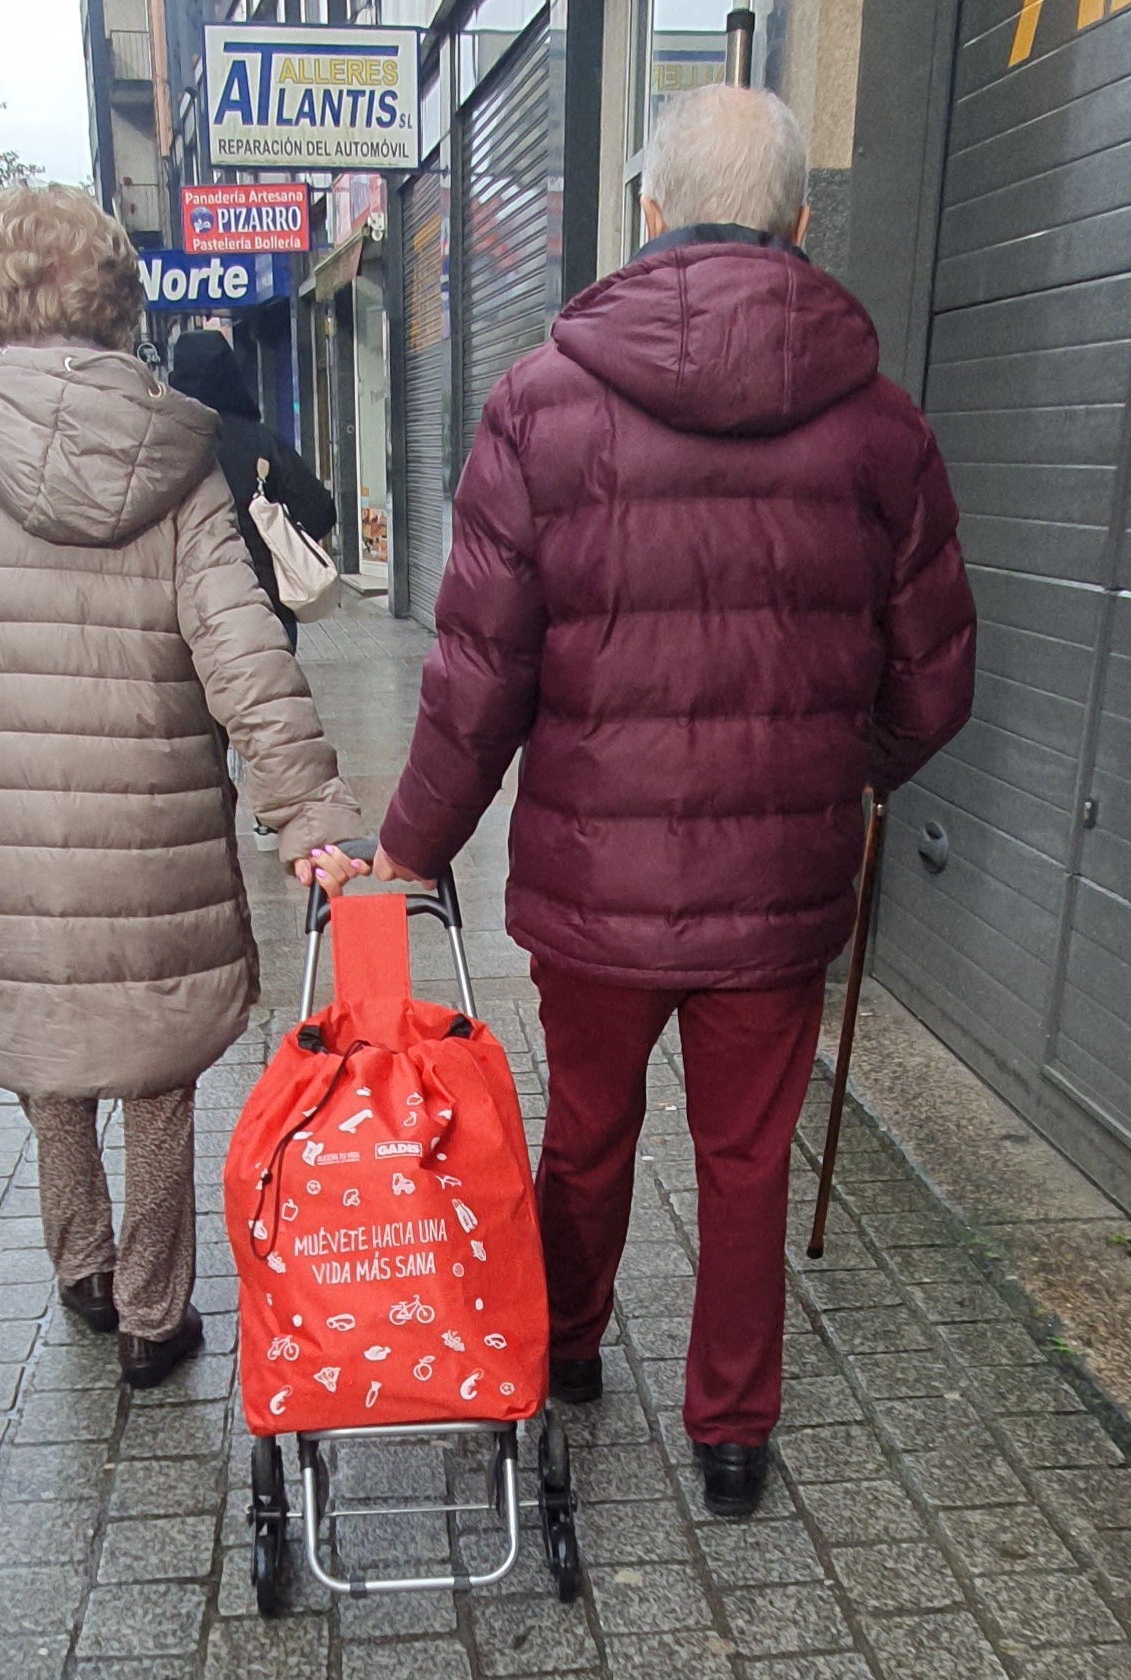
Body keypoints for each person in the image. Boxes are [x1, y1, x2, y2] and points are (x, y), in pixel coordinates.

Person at [374, 85, 976, 1517]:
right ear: (803, 222)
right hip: (779, 896)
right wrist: (842, 767)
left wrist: (409, 846)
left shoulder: (538, 406)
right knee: (747, 1154)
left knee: (585, 1134)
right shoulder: (885, 430)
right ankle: (731, 1436)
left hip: (593, 894)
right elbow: (937, 682)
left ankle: (566, 1351)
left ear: (648, 211)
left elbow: (479, 674)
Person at [0, 184, 368, 1390]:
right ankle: (153, 1312)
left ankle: (79, 1269)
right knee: (158, 1078)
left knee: (52, 1067)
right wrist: (310, 813)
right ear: (114, 299)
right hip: (156, 843)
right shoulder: (178, 457)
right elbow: (245, 654)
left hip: (2, 848)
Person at [167, 328, 336, 652]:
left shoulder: (165, 444)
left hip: (190, 611)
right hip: (265, 606)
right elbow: (319, 509)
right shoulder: (261, 441)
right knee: (271, 698)